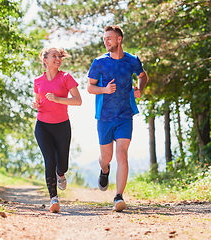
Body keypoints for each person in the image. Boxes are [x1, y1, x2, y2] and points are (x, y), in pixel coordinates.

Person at [87, 25, 148, 212]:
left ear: (119, 39)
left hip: (125, 115)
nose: (106, 41)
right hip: (104, 117)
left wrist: (140, 89)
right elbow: (90, 88)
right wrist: (104, 90)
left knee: (122, 154)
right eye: (104, 38)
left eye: (109, 38)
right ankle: (105, 170)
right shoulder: (99, 62)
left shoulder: (132, 60)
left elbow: (143, 76)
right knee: (107, 157)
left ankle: (118, 196)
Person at [32, 47, 82, 213]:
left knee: (62, 165)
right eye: (54, 56)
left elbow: (78, 101)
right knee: (49, 160)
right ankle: (53, 198)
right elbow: (38, 100)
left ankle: (61, 174)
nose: (58, 58)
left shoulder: (66, 77)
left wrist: (59, 99)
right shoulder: (38, 80)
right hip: (42, 125)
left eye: (59, 56)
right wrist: (35, 105)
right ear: (45, 60)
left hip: (61, 125)